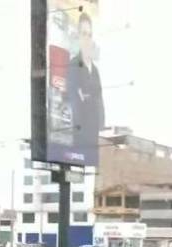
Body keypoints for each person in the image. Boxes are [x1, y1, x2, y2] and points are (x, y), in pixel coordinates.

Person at [66, 12, 105, 156]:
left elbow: (100, 104)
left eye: (90, 34)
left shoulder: (95, 71)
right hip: (79, 141)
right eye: (84, 34)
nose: (87, 39)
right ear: (78, 37)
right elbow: (76, 103)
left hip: (93, 142)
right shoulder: (73, 66)